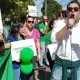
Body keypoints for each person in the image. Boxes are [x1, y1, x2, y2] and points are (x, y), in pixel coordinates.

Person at [50, 1, 80, 80]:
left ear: (79, 12)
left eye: (76, 9)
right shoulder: (60, 23)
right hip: (60, 64)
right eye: (70, 9)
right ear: (67, 12)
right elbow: (54, 39)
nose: (72, 11)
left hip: (77, 65)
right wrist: (67, 26)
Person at [20, 16, 41, 80]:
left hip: (34, 55)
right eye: (29, 21)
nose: (31, 23)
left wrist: (39, 54)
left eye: (32, 22)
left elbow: (37, 42)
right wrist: (21, 33)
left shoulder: (36, 31)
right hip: (25, 55)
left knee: (32, 69)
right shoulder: (22, 31)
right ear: (26, 22)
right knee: (24, 71)